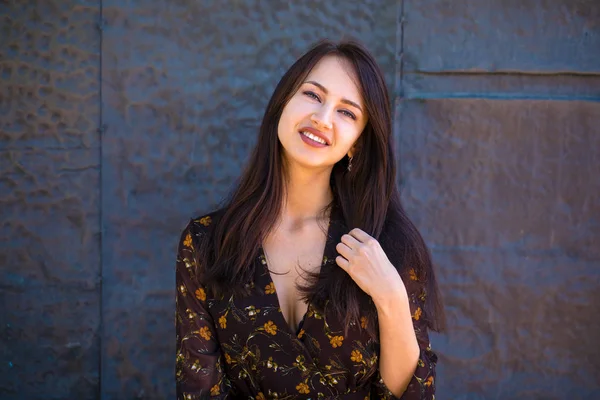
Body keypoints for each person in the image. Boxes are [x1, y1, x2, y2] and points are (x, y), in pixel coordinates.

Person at [175, 39, 445, 399]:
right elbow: (198, 388)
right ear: (283, 103)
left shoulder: (389, 247)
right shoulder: (207, 242)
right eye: (313, 95)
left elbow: (410, 395)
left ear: (357, 144)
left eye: (347, 112)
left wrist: (391, 296)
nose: (322, 118)